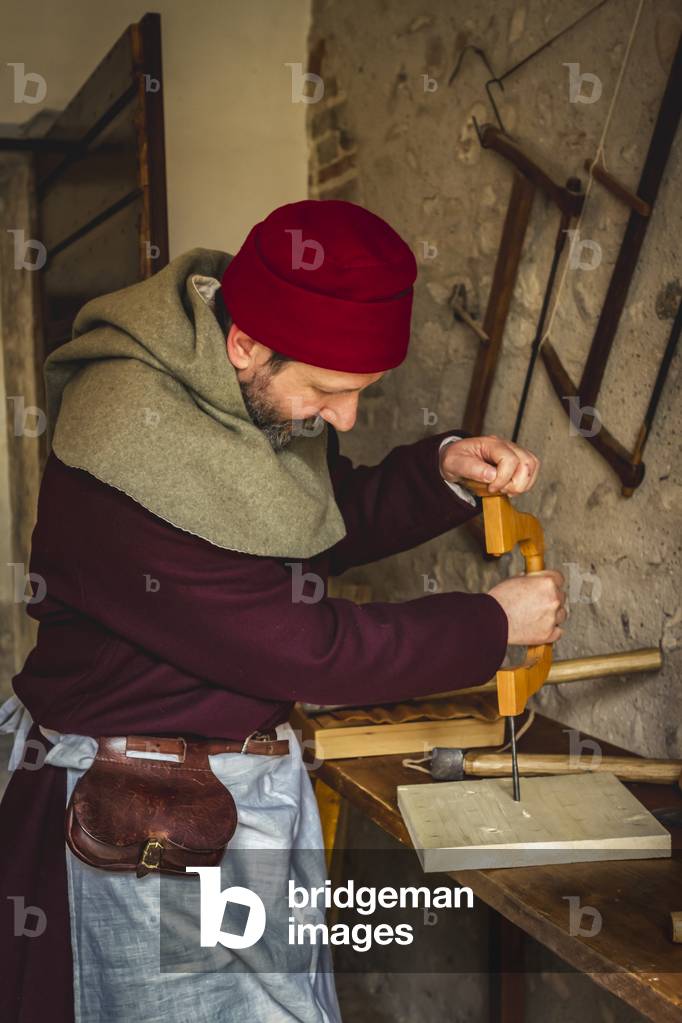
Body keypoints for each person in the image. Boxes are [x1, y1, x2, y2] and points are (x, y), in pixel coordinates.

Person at [0, 199, 566, 1022]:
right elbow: (307, 645)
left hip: (224, 795)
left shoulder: (240, 392)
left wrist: (441, 470)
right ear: (246, 346)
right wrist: (490, 624)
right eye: (331, 392)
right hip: (139, 824)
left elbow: (304, 525)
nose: (345, 417)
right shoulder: (128, 447)